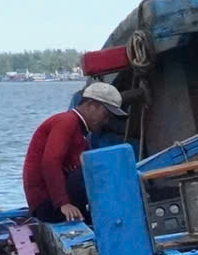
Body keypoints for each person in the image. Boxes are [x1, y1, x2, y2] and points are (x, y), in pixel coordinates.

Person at [22, 80, 127, 222]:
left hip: (49, 202)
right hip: (47, 204)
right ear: (91, 105)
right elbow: (50, 162)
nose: (106, 121)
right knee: (93, 170)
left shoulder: (80, 130)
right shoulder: (67, 122)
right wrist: (63, 203)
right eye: (106, 114)